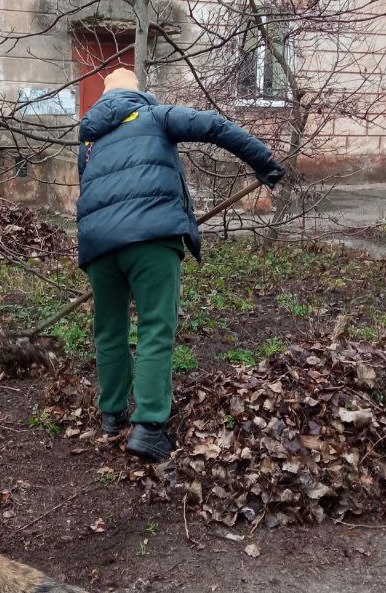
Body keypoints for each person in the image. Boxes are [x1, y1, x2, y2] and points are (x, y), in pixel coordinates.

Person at [76, 68, 286, 461]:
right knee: (156, 325)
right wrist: (264, 161)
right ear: (138, 92)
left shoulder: (89, 139)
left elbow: (89, 189)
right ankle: (149, 426)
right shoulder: (154, 116)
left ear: (103, 99)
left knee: (109, 329)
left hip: (99, 245)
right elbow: (215, 126)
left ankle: (112, 415)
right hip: (152, 236)